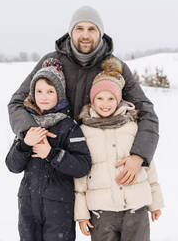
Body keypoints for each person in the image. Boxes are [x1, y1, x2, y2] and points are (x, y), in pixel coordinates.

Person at [8, 5, 159, 188]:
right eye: (79, 28)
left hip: (97, 173)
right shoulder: (51, 62)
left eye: (91, 29)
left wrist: (139, 155)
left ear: (100, 33)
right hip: (52, 165)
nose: (85, 35)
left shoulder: (115, 68)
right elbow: (16, 102)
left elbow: (146, 112)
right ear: (71, 32)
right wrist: (32, 133)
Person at [74, 57, 164, 241]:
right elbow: (80, 176)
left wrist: (155, 201)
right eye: (99, 98)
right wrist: (81, 213)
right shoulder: (84, 130)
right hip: (101, 212)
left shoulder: (131, 126)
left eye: (110, 98)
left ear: (119, 100)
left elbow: (148, 166)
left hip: (136, 208)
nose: (105, 103)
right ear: (92, 100)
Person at [5, 58, 91, 241]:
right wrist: (25, 144)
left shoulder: (69, 127)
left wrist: (52, 154)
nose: (44, 96)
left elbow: (83, 166)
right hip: (28, 205)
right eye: (39, 91)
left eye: (50, 91)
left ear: (59, 94)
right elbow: (12, 165)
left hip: (59, 208)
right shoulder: (28, 126)